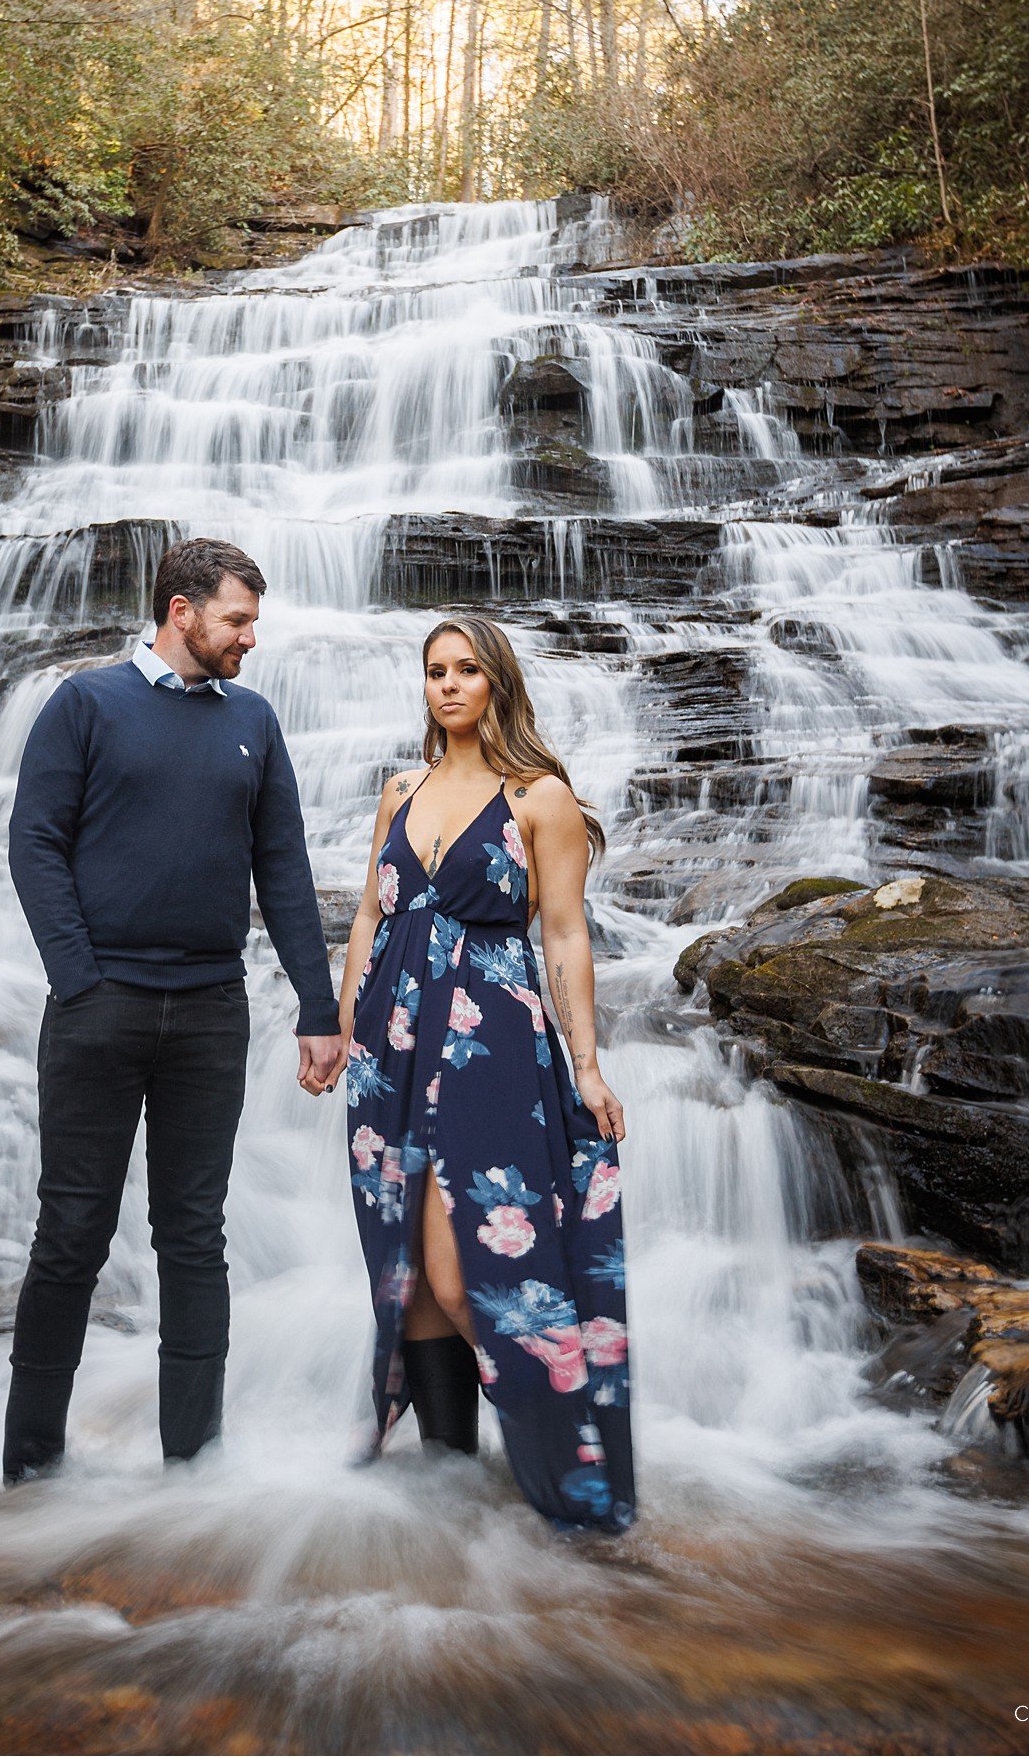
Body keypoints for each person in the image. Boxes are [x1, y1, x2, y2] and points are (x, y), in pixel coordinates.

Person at [3, 536, 344, 1483]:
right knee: (72, 1228)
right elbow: (34, 845)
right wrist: (80, 978)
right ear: (181, 610)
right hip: (98, 1007)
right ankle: (31, 1468)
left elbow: (282, 870)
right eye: (237, 619)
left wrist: (319, 1007)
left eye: (253, 622)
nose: (249, 638)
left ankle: (194, 1470)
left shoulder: (254, 721)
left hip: (209, 1011)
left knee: (194, 1234)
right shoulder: (85, 704)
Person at [337, 614, 634, 1532]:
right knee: (411, 1276)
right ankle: (449, 1484)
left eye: (467, 669)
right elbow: (367, 920)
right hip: (389, 1051)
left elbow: (566, 932)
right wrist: (340, 1029)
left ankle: (569, 1445)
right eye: (435, 671)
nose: (450, 685)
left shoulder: (539, 797)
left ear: (497, 681)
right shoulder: (400, 790)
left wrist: (587, 1066)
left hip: (490, 1048)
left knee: (464, 1274)